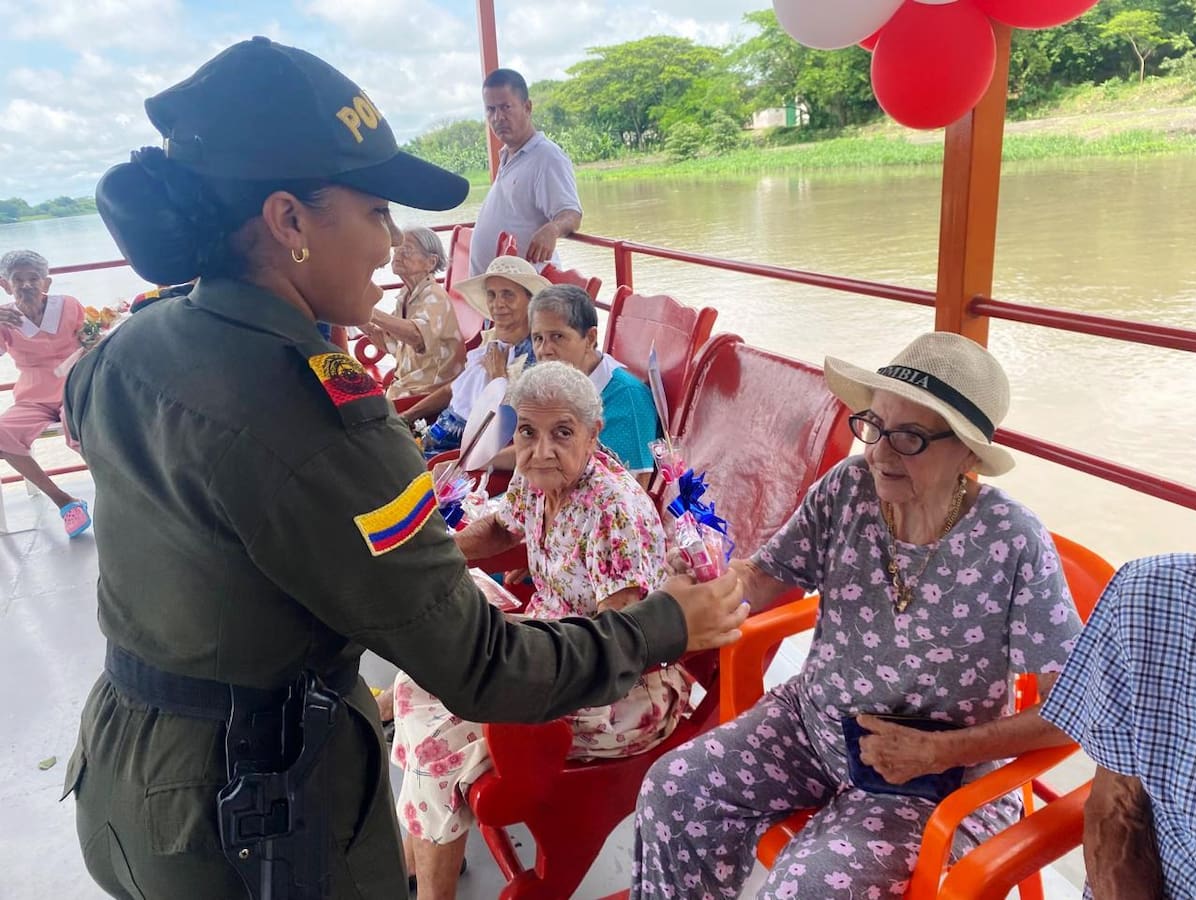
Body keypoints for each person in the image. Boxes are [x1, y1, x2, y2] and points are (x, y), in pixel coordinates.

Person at [60, 37, 748, 900]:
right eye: (376, 211)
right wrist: (665, 626)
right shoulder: (325, 422)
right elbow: (483, 668)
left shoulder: (123, 349)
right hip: (255, 810)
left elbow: (229, 535)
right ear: (289, 221)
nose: (392, 245)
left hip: (127, 769)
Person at [630, 332, 1085, 899]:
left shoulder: (1011, 541)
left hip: (927, 777)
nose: (878, 453)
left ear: (968, 454)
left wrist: (941, 751)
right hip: (812, 725)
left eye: (910, 438)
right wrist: (709, 579)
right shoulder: (848, 489)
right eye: (874, 425)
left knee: (806, 891)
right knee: (674, 790)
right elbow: (766, 578)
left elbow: (1072, 709)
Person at [391, 361, 693, 898]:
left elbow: (622, 646)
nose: (542, 448)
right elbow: (497, 528)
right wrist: (432, 559)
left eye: (562, 433)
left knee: (446, 733)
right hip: (553, 645)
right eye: (528, 431)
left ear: (594, 435)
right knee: (422, 670)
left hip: (619, 686)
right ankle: (423, 851)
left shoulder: (614, 509)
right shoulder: (538, 482)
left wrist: (513, 658)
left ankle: (430, 885)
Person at [1040, 554, 1196, 900]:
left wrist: (941, 750)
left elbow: (1050, 704)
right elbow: (1117, 811)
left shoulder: (1012, 533)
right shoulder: (1156, 596)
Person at [401, 255, 548, 457]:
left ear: (530, 300)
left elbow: (518, 427)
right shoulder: (492, 340)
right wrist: (407, 416)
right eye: (492, 295)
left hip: (464, 453)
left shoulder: (537, 355)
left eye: (508, 295)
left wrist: (499, 378)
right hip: (435, 433)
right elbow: (455, 388)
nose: (498, 304)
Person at [0, 249, 91, 536]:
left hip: (73, 387)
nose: (27, 285)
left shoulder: (69, 305)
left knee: (83, 426)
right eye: (18, 279)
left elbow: (91, 339)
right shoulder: (4, 319)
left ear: (46, 283)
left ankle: (122, 492)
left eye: (34, 278)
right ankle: (64, 501)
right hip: (33, 397)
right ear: (5, 285)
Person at [528, 283, 658, 484]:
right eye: (538, 338)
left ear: (590, 338)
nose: (545, 350)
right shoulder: (557, 387)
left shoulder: (626, 397)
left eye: (557, 336)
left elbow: (635, 486)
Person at [468, 68, 582, 276]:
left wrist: (553, 229)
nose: (498, 117)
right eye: (490, 109)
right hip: (497, 295)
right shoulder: (507, 155)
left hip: (524, 295)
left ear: (527, 107)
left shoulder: (546, 157)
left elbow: (571, 214)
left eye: (506, 107)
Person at [362, 225, 465, 400]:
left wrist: (370, 312)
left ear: (431, 262)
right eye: (397, 249)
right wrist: (354, 315)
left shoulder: (434, 296)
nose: (398, 255)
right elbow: (390, 343)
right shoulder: (406, 295)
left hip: (429, 392)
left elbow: (416, 336)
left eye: (407, 250)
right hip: (405, 386)